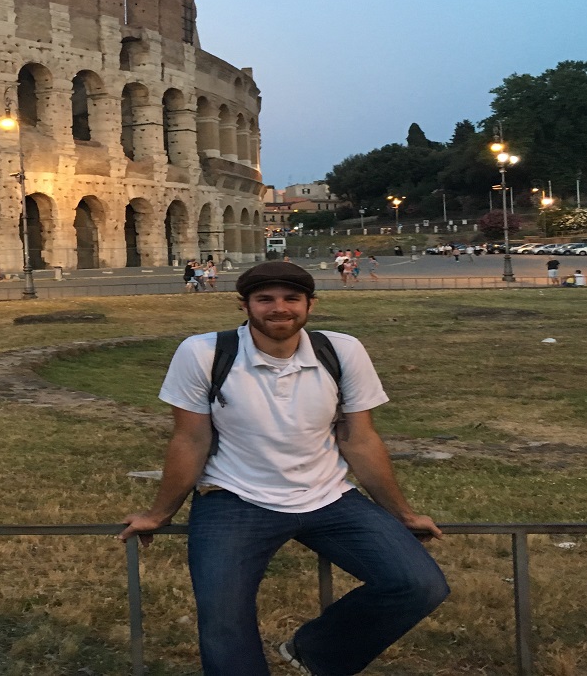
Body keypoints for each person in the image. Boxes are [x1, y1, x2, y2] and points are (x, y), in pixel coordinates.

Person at [119, 261, 448, 675]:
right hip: (234, 499)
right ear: (244, 306)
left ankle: (315, 651)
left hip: (328, 496)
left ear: (311, 304)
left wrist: (402, 513)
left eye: (292, 298)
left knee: (418, 585)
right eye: (265, 299)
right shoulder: (203, 353)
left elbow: (359, 440)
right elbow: (190, 439)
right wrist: (158, 513)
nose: (279, 308)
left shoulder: (342, 351)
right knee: (224, 620)